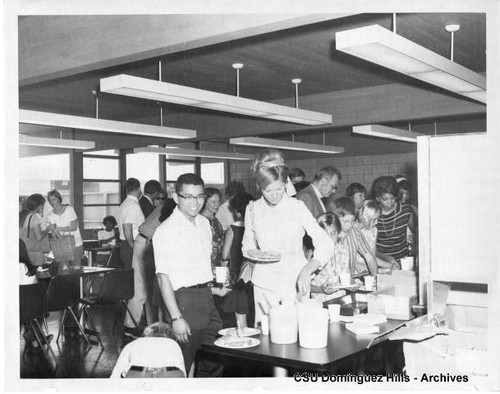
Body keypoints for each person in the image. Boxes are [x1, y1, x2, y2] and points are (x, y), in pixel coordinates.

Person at [242, 151, 334, 325]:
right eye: (268, 191)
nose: (275, 195)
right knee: (267, 335)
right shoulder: (252, 209)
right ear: (259, 187)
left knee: (295, 332)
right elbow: (247, 243)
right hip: (264, 285)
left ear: (286, 183)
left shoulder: (297, 207)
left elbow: (326, 243)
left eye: (279, 188)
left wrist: (308, 269)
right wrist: (254, 252)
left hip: (295, 282)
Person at [153, 173, 223, 377]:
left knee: (215, 358)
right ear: (176, 197)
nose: (195, 202)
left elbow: (202, 264)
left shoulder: (204, 223)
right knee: (180, 364)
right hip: (183, 301)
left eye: (200, 196)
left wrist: (215, 289)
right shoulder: (166, 231)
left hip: (206, 298)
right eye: (188, 197)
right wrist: (176, 317)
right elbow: (163, 277)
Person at [221, 191, 254, 329]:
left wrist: (223, 281)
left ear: (237, 211)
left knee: (241, 323)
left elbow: (224, 256)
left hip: (237, 279)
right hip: (254, 277)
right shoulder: (256, 226)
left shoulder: (233, 227)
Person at [110, 322, 186, 378]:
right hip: (171, 375)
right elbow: (183, 373)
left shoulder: (135, 343)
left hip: (139, 374)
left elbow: (116, 374)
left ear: (146, 333)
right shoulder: (174, 345)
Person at [371, 176, 417, 263]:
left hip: (403, 261)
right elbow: (369, 246)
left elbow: (418, 232)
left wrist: (416, 250)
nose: (389, 202)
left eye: (392, 198)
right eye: (385, 199)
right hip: (381, 263)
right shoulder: (373, 215)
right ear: (377, 198)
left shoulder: (406, 211)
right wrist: (384, 257)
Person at [331, 196, 378, 277]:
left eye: (352, 221)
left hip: (350, 280)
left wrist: (375, 278)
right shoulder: (327, 235)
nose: (349, 225)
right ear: (334, 219)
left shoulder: (355, 232)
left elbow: (370, 258)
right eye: (345, 221)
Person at [310, 213, 346, 302]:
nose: (329, 238)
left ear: (339, 231)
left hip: (341, 299)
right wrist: (321, 289)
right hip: (321, 302)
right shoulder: (312, 255)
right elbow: (304, 285)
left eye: (333, 233)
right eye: (326, 235)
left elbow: (345, 277)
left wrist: (352, 285)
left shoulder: (343, 251)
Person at [354, 200, 396, 272]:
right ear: (365, 217)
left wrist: (390, 265)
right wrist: (357, 265)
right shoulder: (351, 230)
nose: (376, 223)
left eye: (377, 219)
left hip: (369, 268)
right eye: (374, 219)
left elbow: (372, 257)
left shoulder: (373, 231)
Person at [46, 189, 84, 268]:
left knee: (76, 268)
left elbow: (74, 227)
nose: (52, 202)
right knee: (64, 269)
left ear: (59, 199)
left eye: (54, 199)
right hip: (62, 244)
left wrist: (58, 228)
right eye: (50, 200)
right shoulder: (50, 215)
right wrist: (53, 232)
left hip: (76, 242)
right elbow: (55, 232)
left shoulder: (70, 209)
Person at [19, 194, 55, 266]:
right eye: (42, 204)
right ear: (38, 205)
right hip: (34, 252)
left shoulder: (22, 215)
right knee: (36, 274)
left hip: (23, 252)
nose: (43, 207)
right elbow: (39, 237)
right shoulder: (34, 217)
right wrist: (48, 229)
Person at [118, 178, 145, 269]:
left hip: (125, 244)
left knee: (131, 277)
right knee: (135, 277)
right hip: (130, 245)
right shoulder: (133, 205)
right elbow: (126, 226)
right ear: (139, 189)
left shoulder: (125, 204)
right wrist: (133, 245)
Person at [200, 188, 224, 271]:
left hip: (217, 263)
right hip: (206, 264)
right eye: (213, 202)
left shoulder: (216, 221)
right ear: (205, 202)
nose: (217, 205)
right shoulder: (200, 221)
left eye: (218, 202)